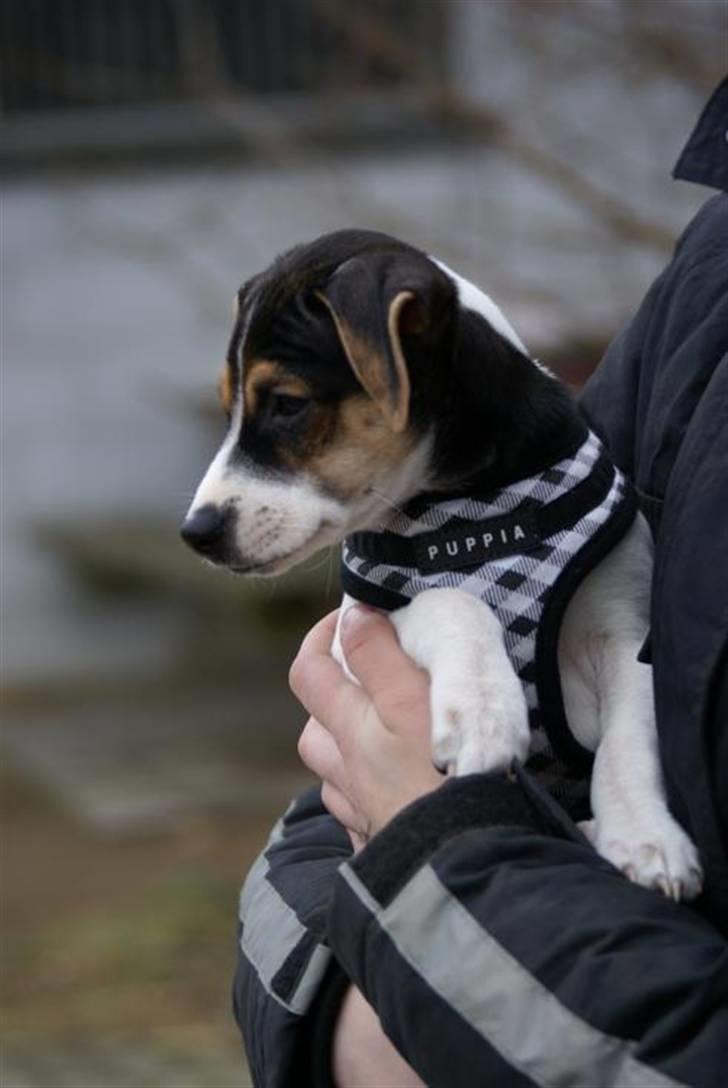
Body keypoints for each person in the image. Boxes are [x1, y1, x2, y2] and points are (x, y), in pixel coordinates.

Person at [233, 78, 728, 1087]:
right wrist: (332, 1001)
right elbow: (352, 799)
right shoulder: (710, 272)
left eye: (285, 411)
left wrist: (438, 875)